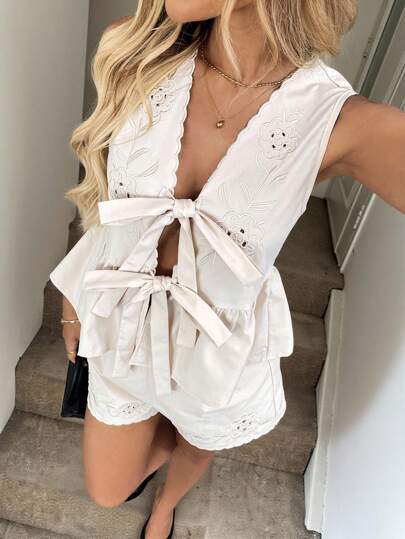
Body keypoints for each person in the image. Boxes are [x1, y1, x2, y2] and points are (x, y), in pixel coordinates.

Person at [49, 1, 405, 537]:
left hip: (217, 358)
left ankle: (167, 502)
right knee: (107, 490)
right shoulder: (136, 51)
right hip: (121, 331)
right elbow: (106, 205)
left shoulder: (344, 122)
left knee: (200, 438)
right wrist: (73, 297)